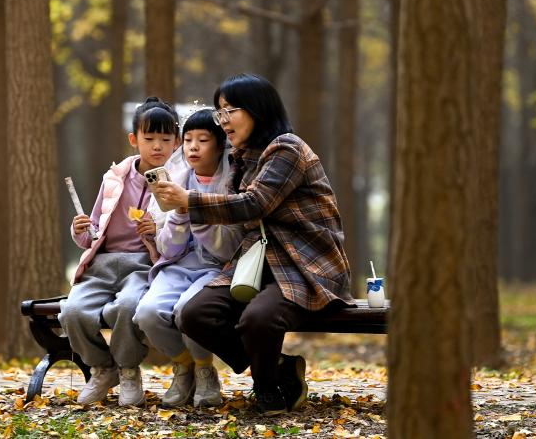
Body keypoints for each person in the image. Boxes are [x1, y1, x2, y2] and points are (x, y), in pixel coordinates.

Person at [150, 74, 352, 416]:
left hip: (303, 264)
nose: (222, 120)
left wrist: (190, 200)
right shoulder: (243, 157)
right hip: (255, 263)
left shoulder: (287, 148)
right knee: (195, 314)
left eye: (230, 110)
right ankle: (281, 367)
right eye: (219, 112)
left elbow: (254, 204)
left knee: (258, 319)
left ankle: (266, 385)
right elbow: (239, 214)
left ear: (258, 109)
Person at [59, 97, 179, 406]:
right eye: (149, 138)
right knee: (71, 311)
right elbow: (95, 233)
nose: (157, 146)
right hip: (102, 264)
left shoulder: (177, 182)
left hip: (142, 266)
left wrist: (155, 234)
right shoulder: (115, 179)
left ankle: (128, 369)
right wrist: (82, 229)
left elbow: (181, 236)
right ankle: (103, 368)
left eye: (165, 140)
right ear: (133, 139)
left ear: (176, 142)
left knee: (127, 306)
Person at [133, 109, 243, 408]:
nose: (193, 147)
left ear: (220, 145)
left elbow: (226, 249)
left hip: (217, 270)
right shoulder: (174, 180)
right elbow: (168, 248)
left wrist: (195, 210)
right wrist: (179, 215)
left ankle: (206, 370)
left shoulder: (232, 186)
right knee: (147, 313)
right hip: (178, 267)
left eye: (203, 140)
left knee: (187, 311)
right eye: (188, 140)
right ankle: (184, 367)